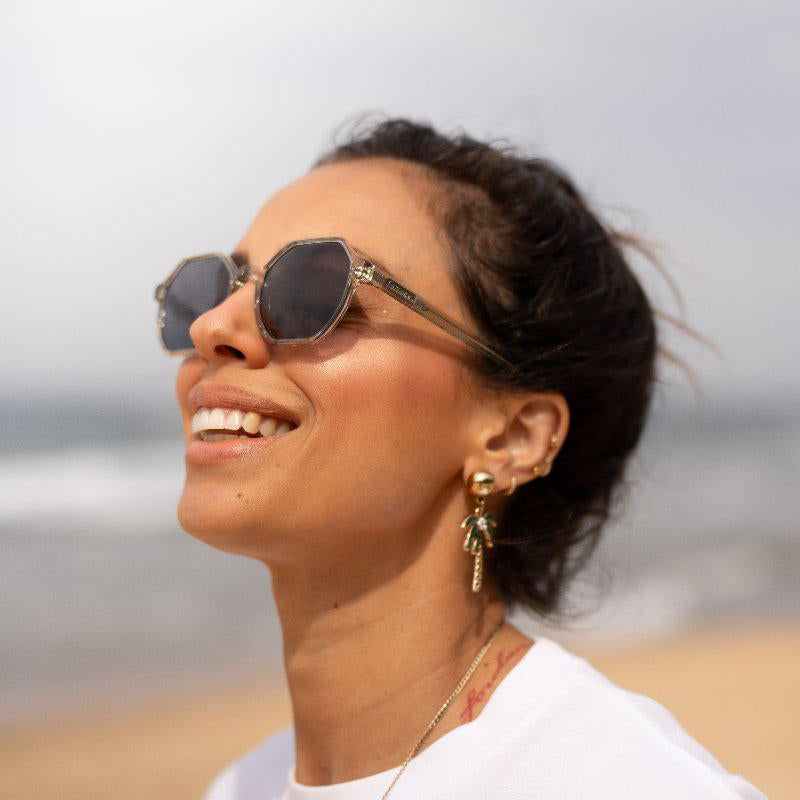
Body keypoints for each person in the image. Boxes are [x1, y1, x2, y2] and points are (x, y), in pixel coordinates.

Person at [155, 115, 769, 799]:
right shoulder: (241, 787)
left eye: (315, 291)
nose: (212, 326)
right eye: (218, 288)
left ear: (513, 438)